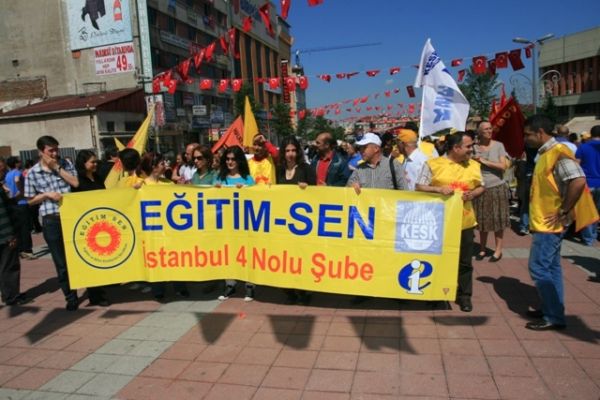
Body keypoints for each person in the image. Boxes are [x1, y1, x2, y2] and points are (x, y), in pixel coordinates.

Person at [523, 115, 597, 331]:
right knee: (551, 266)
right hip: (546, 220)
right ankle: (552, 308)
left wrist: (564, 209)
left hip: (550, 223)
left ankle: (553, 315)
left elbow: (578, 180)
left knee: (539, 267)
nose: (525, 138)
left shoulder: (558, 153)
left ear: (540, 133)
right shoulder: (546, 153)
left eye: (528, 134)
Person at [416, 132, 485, 312]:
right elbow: (419, 186)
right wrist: (438, 190)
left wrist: (473, 193)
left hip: (465, 221)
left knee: (464, 261)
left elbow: (481, 186)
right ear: (456, 148)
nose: (471, 149)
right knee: (438, 259)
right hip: (438, 222)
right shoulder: (433, 164)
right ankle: (436, 294)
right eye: (468, 146)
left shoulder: (474, 165)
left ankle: (464, 296)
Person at [24, 136, 80, 311]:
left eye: (57, 149)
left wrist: (57, 167)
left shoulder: (66, 164)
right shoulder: (33, 173)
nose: (55, 153)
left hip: (71, 217)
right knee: (61, 261)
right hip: (51, 219)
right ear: (41, 152)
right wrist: (46, 195)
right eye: (51, 150)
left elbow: (75, 183)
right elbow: (29, 200)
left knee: (79, 256)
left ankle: (94, 291)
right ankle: (70, 297)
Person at [138, 152, 190, 300]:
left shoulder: (168, 183)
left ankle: (180, 287)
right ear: (153, 167)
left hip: (170, 229)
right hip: (152, 230)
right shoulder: (142, 185)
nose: (165, 165)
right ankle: (158, 289)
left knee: (174, 258)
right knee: (155, 259)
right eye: (162, 163)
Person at [276, 136, 316, 305]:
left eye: (293, 150)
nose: (290, 154)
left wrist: (308, 189)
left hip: (303, 225)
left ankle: (304, 291)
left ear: (298, 152)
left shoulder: (306, 169)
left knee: (302, 258)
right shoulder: (279, 170)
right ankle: (289, 291)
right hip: (284, 223)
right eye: (287, 151)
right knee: (286, 258)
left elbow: (318, 195)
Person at [213, 146, 256, 301]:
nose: (230, 162)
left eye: (233, 159)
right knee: (228, 253)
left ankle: (249, 286)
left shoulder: (248, 179)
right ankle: (229, 285)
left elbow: (256, 200)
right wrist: (215, 190)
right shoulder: (219, 178)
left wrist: (245, 190)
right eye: (227, 159)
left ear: (239, 161)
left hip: (244, 224)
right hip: (225, 224)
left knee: (246, 254)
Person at [72, 150, 110, 306]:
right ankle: (95, 295)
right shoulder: (77, 181)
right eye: (92, 162)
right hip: (86, 225)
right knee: (91, 260)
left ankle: (101, 289)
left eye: (96, 162)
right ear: (83, 164)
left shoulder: (98, 177)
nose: (95, 164)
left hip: (100, 223)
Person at [472, 121, 511, 262]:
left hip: (497, 187)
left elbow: (503, 166)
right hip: (480, 187)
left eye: (490, 128)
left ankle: (498, 250)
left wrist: (483, 161)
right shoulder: (474, 147)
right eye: (486, 129)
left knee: (497, 219)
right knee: (482, 220)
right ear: (479, 132)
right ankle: (482, 248)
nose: (489, 131)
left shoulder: (499, 145)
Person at [0, 188, 31, 306]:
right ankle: (11, 296)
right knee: (10, 266)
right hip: (5, 236)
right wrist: (10, 235)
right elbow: (2, 213)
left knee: (5, 266)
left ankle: (8, 294)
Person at [4, 157, 35, 260]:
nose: (21, 162)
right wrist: (21, 192)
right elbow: (17, 180)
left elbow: (5, 185)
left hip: (13, 204)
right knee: (25, 227)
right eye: (19, 161)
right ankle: (28, 250)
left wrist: (11, 194)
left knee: (18, 228)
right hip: (22, 202)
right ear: (16, 164)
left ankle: (20, 249)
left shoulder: (7, 174)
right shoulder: (17, 172)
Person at [575, 124, 600, 245]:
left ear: (591, 134)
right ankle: (593, 234)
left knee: (587, 211)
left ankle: (588, 238)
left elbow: (576, 165)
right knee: (597, 211)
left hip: (587, 183)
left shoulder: (583, 147)